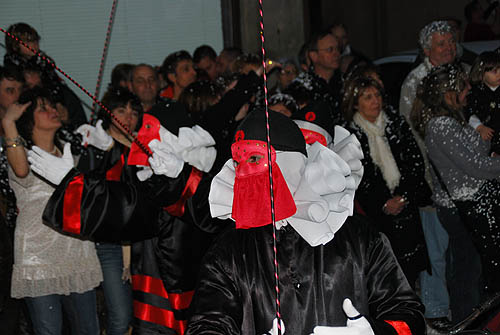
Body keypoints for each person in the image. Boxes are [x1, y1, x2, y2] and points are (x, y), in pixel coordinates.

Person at [185, 109, 425, 334]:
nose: (244, 173)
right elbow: (207, 322)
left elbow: (407, 313)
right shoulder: (229, 251)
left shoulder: (358, 237)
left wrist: (377, 332)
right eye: (238, 163)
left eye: (255, 159)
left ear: (291, 163)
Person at [3, 87, 102, 335]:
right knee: (49, 331)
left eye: (52, 105)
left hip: (77, 251)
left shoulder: (71, 155)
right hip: (38, 256)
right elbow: (22, 172)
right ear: (27, 120)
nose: (53, 110)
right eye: (43, 108)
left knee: (89, 329)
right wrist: (7, 122)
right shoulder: (21, 155)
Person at [399, 20, 477, 329]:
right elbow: (412, 135)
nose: (448, 48)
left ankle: (465, 307)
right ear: (426, 50)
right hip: (434, 180)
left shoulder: (464, 73)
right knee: (435, 249)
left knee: (463, 250)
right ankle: (435, 310)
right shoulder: (414, 82)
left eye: (450, 42)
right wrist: (426, 178)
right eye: (441, 43)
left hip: (464, 179)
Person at [411, 63, 500, 297]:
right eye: (464, 85)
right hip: (463, 206)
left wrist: (478, 129)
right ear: (449, 94)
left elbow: (480, 152)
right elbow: (475, 166)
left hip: (474, 201)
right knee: (468, 271)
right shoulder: (441, 126)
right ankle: (467, 319)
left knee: (477, 268)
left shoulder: (455, 119)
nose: (469, 88)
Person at [342, 76, 431, 290]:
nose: (375, 101)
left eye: (377, 95)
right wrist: (383, 202)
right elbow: (358, 177)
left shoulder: (396, 124)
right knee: (385, 273)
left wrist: (403, 197)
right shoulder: (349, 135)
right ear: (355, 103)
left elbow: (414, 163)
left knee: (410, 270)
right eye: (367, 97)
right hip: (376, 217)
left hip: (405, 207)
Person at [466, 51, 500, 153]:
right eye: (495, 71)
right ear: (481, 74)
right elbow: (468, 111)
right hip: (488, 137)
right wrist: (479, 126)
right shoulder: (476, 93)